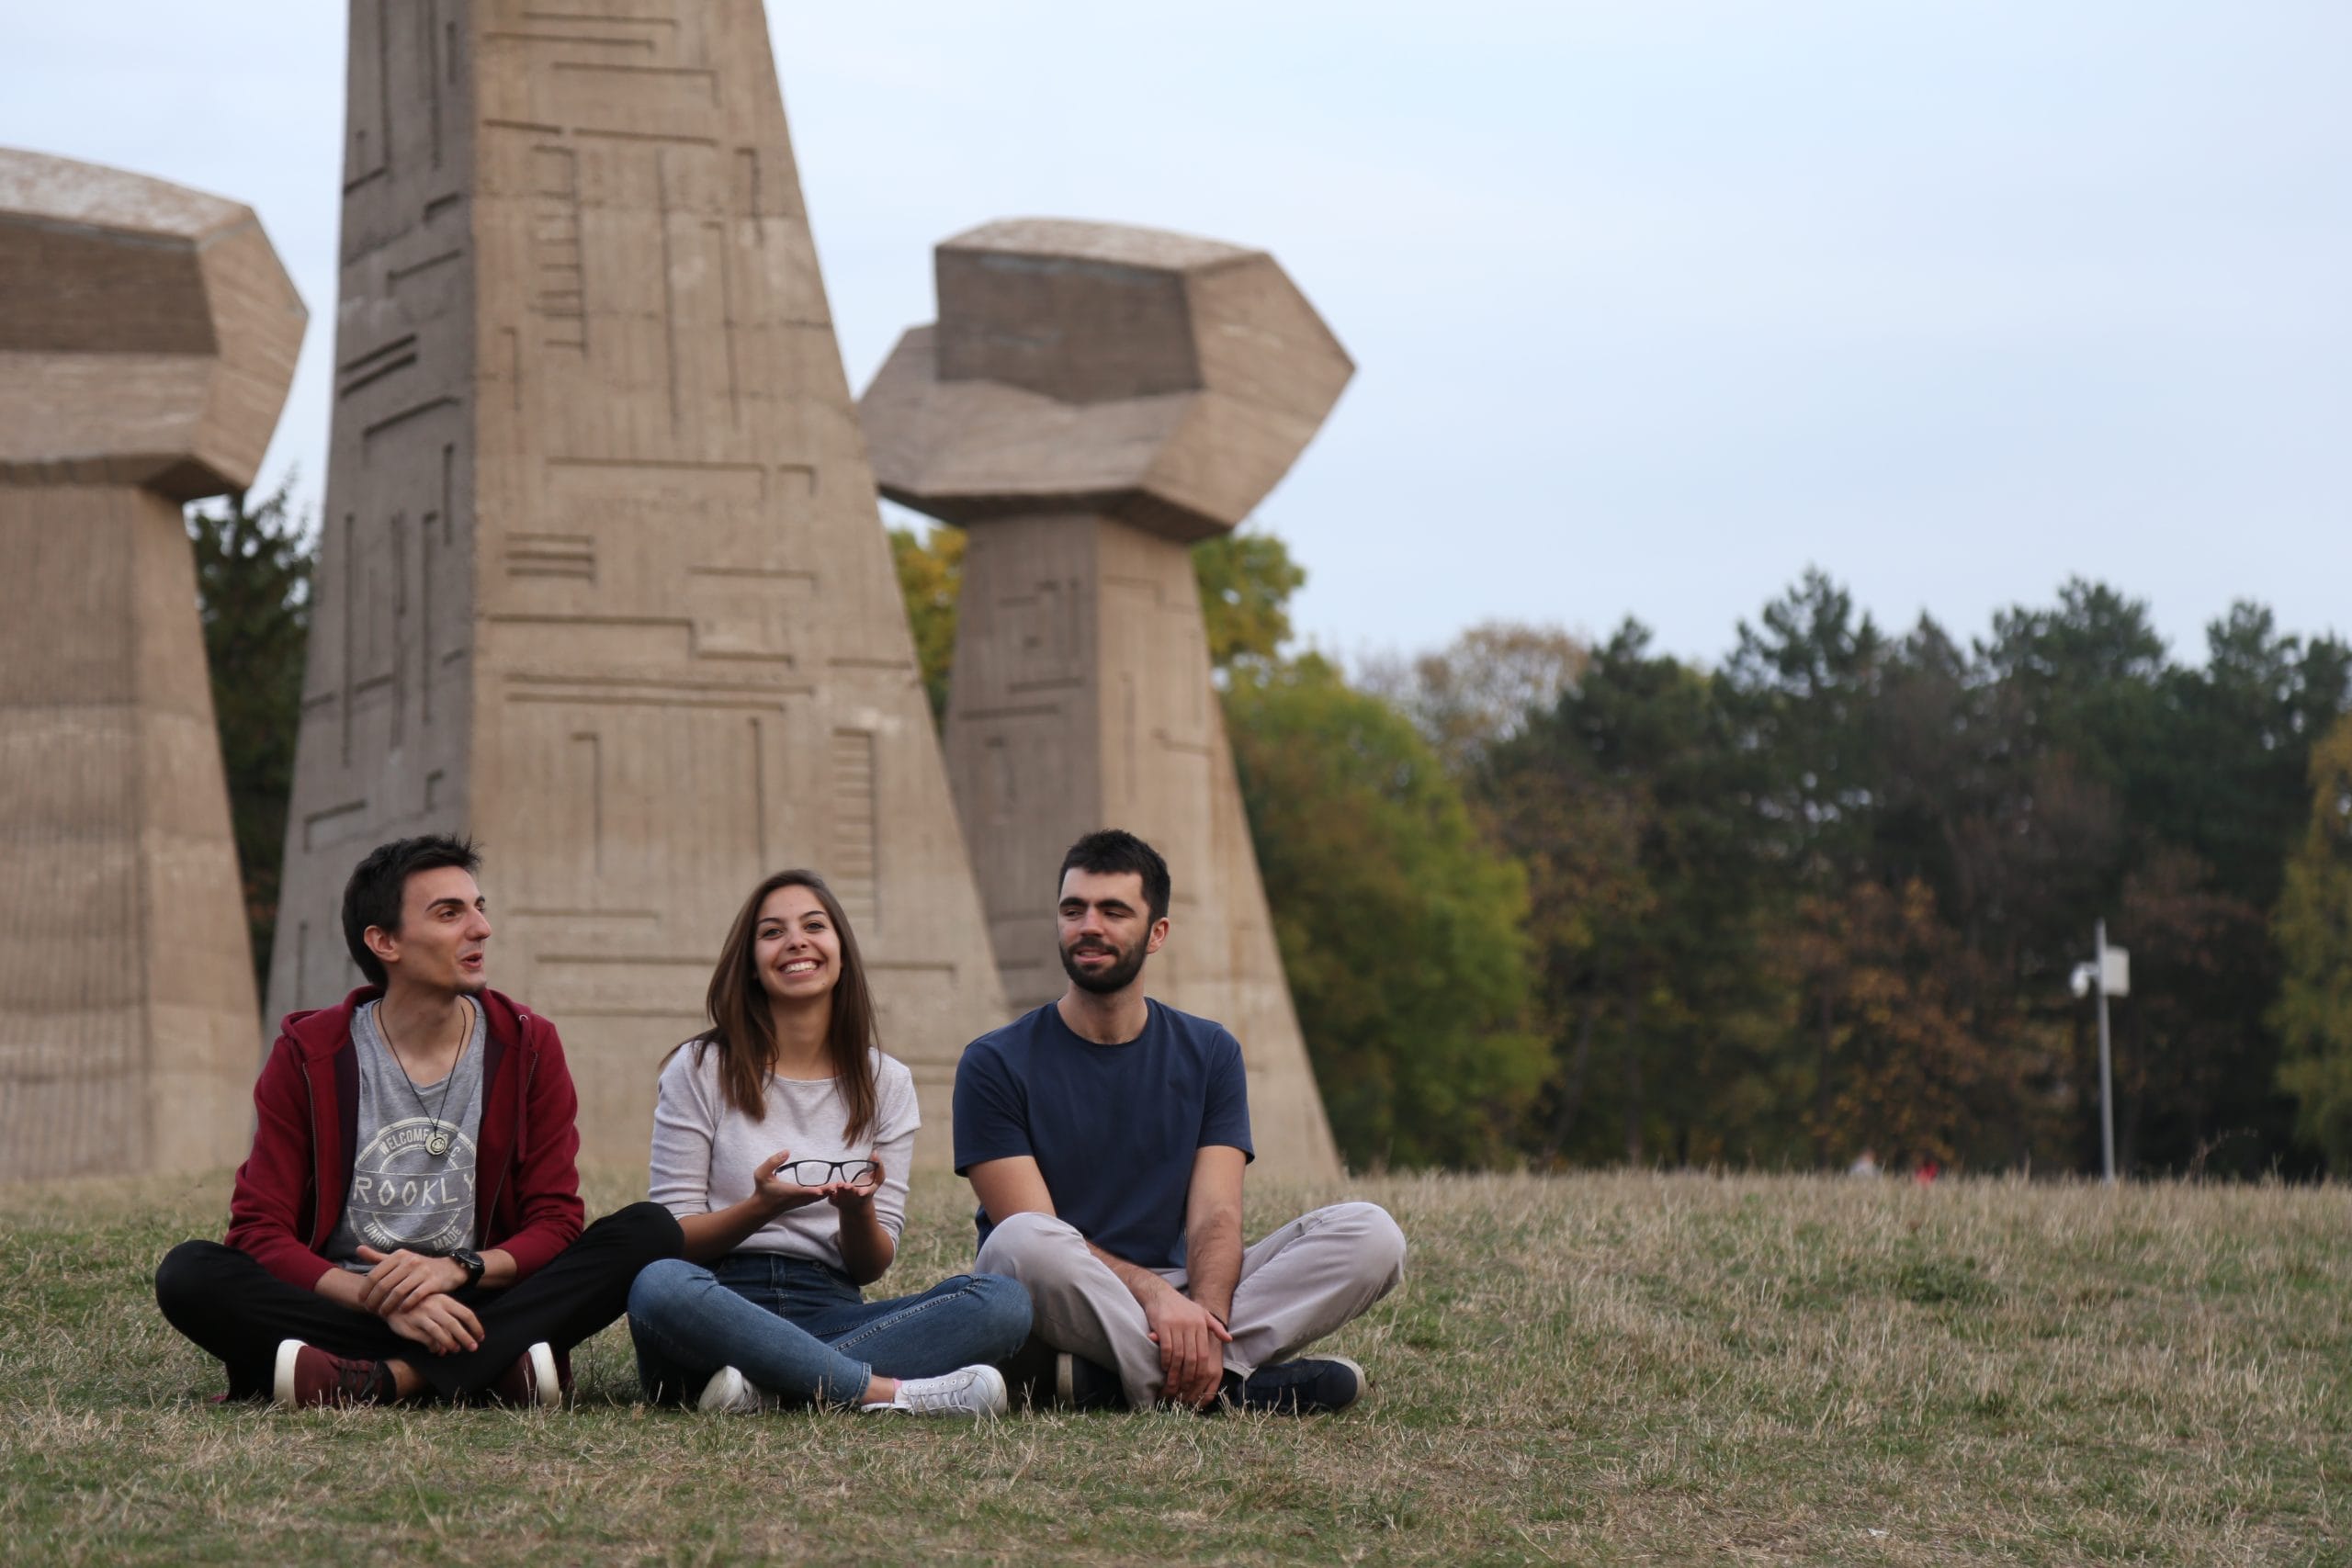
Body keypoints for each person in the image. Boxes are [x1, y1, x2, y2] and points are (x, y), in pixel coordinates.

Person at [153, 836, 683, 1407]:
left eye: (480, 909)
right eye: (450, 914)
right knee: (189, 1273)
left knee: (650, 1231)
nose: (480, 929)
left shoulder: (528, 1045)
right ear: (384, 942)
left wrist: (457, 1270)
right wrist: (380, 1298)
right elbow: (258, 1231)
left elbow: (555, 1223)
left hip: (478, 1296)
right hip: (347, 1299)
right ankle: (498, 1369)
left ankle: (376, 1380)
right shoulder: (310, 1054)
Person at [955, 829, 1407, 1415]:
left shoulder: (1210, 1051)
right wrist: (1155, 1298)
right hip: (1061, 1293)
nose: (1088, 926)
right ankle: (1229, 1389)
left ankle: (1148, 1378)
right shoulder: (994, 1061)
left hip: (1184, 1294)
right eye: (1074, 909)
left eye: (1113, 910)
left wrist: (1207, 1315)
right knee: (1019, 1242)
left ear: (1157, 932)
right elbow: (1030, 1223)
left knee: (1372, 1234)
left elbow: (1216, 1217)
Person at [626, 870, 1030, 1418]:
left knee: (1004, 1303)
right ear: (750, 963)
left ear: (840, 950)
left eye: (814, 925)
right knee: (659, 1284)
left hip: (830, 1307)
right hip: (717, 1303)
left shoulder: (887, 1081)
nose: (796, 940)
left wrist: (858, 1213)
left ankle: (769, 1386)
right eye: (772, 932)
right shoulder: (699, 1068)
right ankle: (885, 1393)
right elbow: (674, 1237)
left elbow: (870, 1265)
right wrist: (758, 1209)